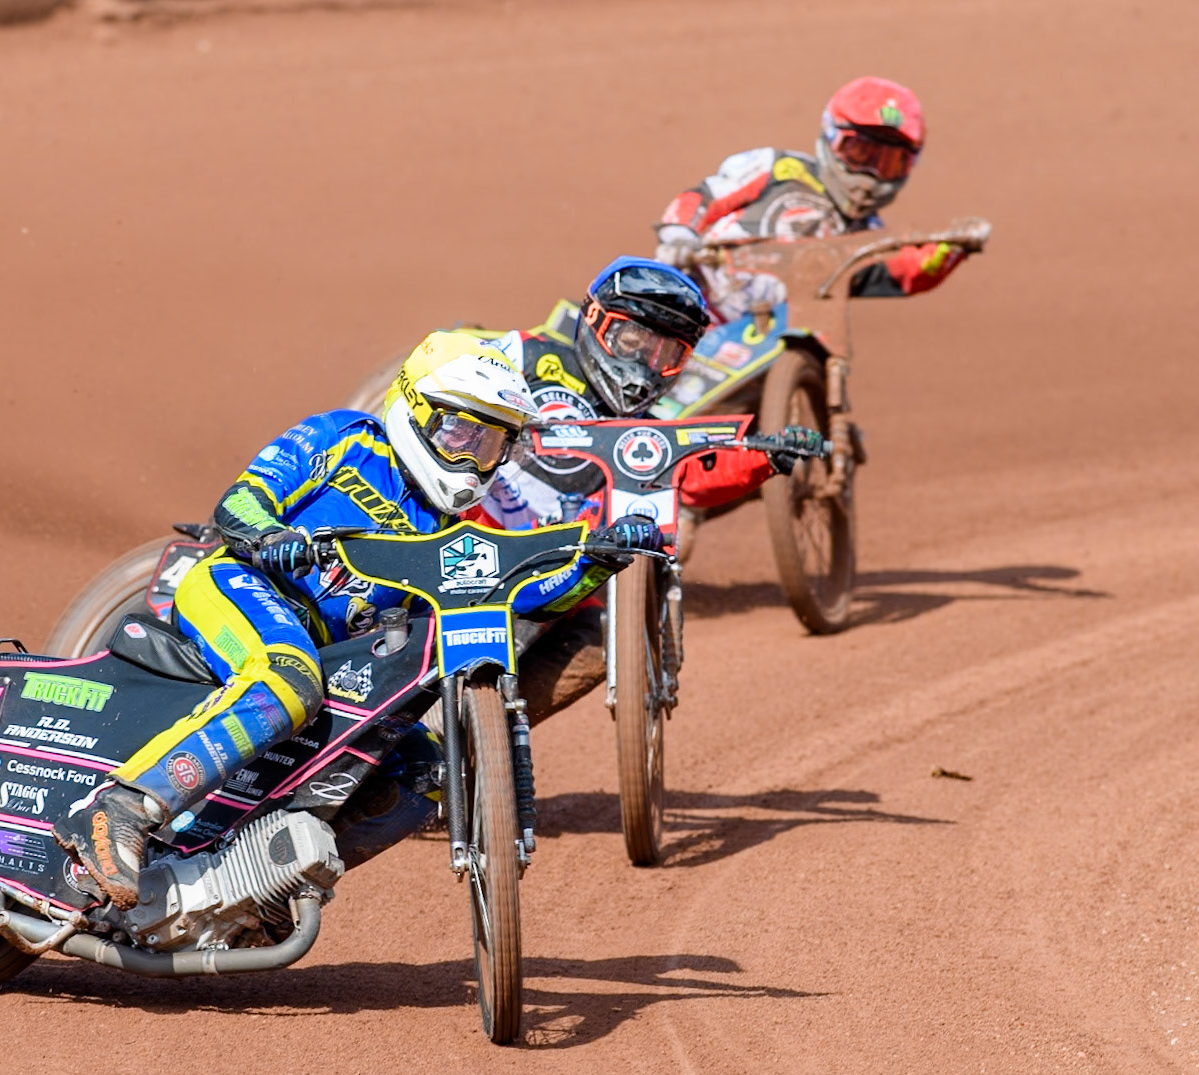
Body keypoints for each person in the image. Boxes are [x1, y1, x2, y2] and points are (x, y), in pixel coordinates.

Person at [53, 331, 666, 907]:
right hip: (239, 585)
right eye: (460, 432)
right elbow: (240, 500)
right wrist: (271, 536)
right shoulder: (344, 437)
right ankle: (124, 807)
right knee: (288, 681)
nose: (472, 456)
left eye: (491, 443)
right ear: (415, 408)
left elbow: (521, 596)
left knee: (422, 765)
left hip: (320, 648)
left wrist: (598, 562)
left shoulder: (447, 531)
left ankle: (261, 885)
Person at [472, 256, 822, 722]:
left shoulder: (648, 431)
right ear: (595, 320)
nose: (645, 367)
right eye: (633, 341)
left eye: (666, 355)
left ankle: (487, 734)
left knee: (606, 638)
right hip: (470, 535)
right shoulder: (525, 355)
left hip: (557, 574)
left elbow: (693, 474)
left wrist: (765, 458)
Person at [653, 76, 966, 324]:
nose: (870, 174)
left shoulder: (867, 239)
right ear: (832, 137)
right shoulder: (778, 167)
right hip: (692, 307)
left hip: (768, 345)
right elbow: (704, 198)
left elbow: (906, 271)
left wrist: (954, 248)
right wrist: (680, 236)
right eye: (861, 153)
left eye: (888, 163)